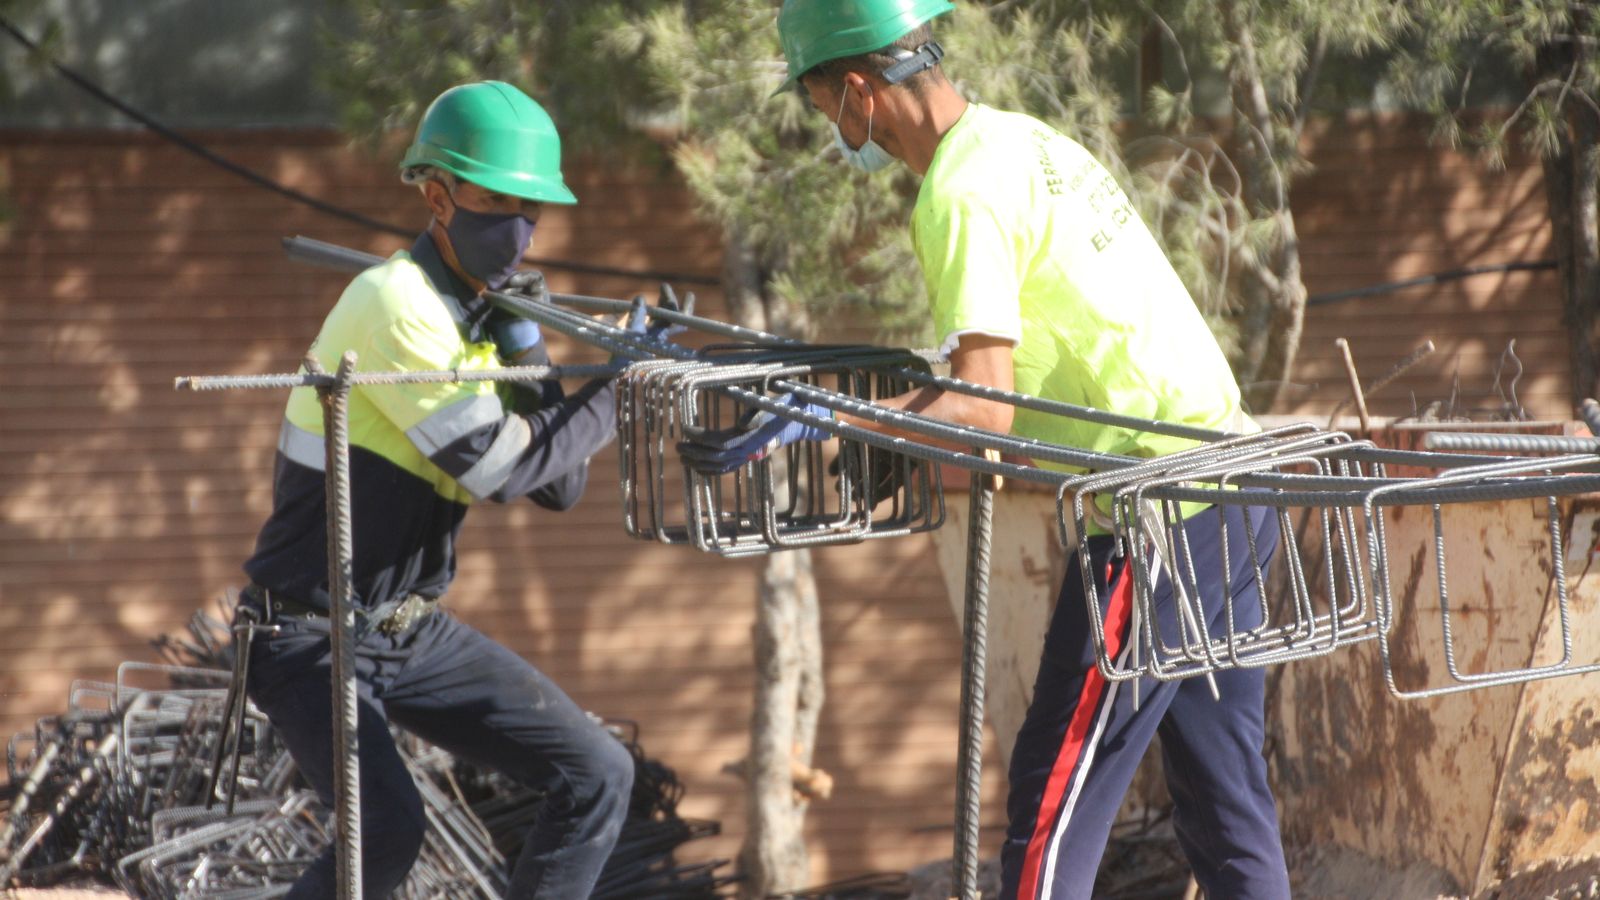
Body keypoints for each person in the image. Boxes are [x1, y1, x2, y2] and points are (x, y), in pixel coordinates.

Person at [678, 3, 1292, 898]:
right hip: (1232, 492)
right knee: (1229, 809)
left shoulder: (956, 194)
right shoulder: (1020, 142)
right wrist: (896, 399)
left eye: (822, 108)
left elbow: (983, 403)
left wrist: (836, 420)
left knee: (1048, 825)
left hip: (1157, 521)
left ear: (858, 91)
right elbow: (1037, 340)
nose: (834, 131)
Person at [240, 81, 655, 898]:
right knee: (388, 833)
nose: (522, 229)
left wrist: (528, 345)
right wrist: (619, 387)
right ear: (438, 196)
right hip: (308, 635)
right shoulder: (397, 304)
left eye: (533, 208)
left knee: (597, 773)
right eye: (500, 202)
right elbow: (502, 472)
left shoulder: (475, 316)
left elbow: (559, 488)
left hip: (404, 628)